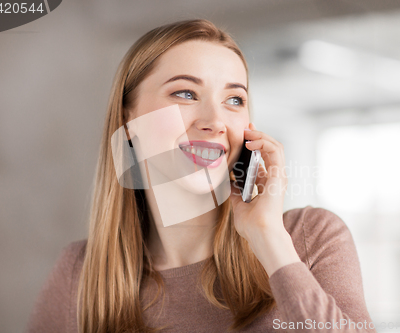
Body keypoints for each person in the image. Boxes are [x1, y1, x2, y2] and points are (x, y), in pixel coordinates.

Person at [26, 19, 376, 333]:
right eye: (185, 93)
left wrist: (269, 239)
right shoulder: (79, 274)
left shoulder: (310, 239)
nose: (215, 120)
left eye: (234, 99)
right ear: (128, 122)